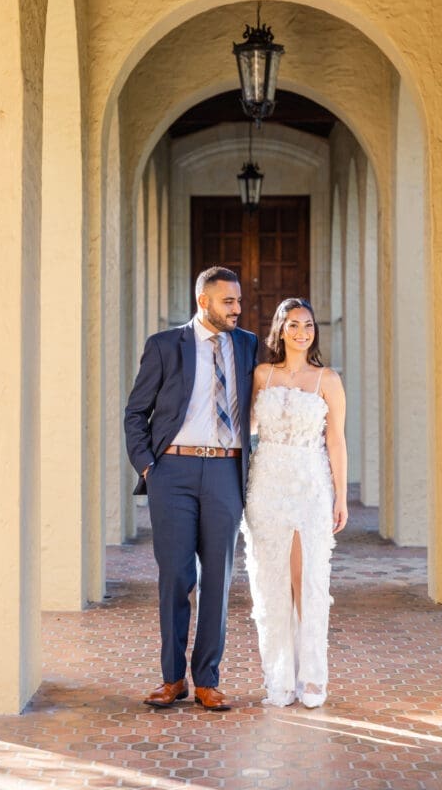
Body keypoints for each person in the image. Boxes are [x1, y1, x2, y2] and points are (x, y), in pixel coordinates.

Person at [125, 266, 258, 711]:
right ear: (204, 301)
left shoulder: (247, 344)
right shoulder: (165, 346)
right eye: (228, 301)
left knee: (218, 579)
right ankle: (171, 678)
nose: (237, 309)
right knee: (176, 578)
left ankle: (207, 681)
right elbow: (136, 412)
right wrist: (148, 467)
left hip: (225, 471)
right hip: (173, 472)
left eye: (238, 301)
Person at [242, 297, 348, 708]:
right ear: (280, 330)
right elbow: (246, 427)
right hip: (267, 483)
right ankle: (279, 677)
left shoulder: (327, 379)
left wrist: (341, 496)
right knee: (271, 581)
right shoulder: (262, 375)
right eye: (293, 325)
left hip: (309, 484)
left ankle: (312, 676)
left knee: (307, 579)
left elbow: (336, 441)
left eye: (308, 325)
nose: (302, 332)